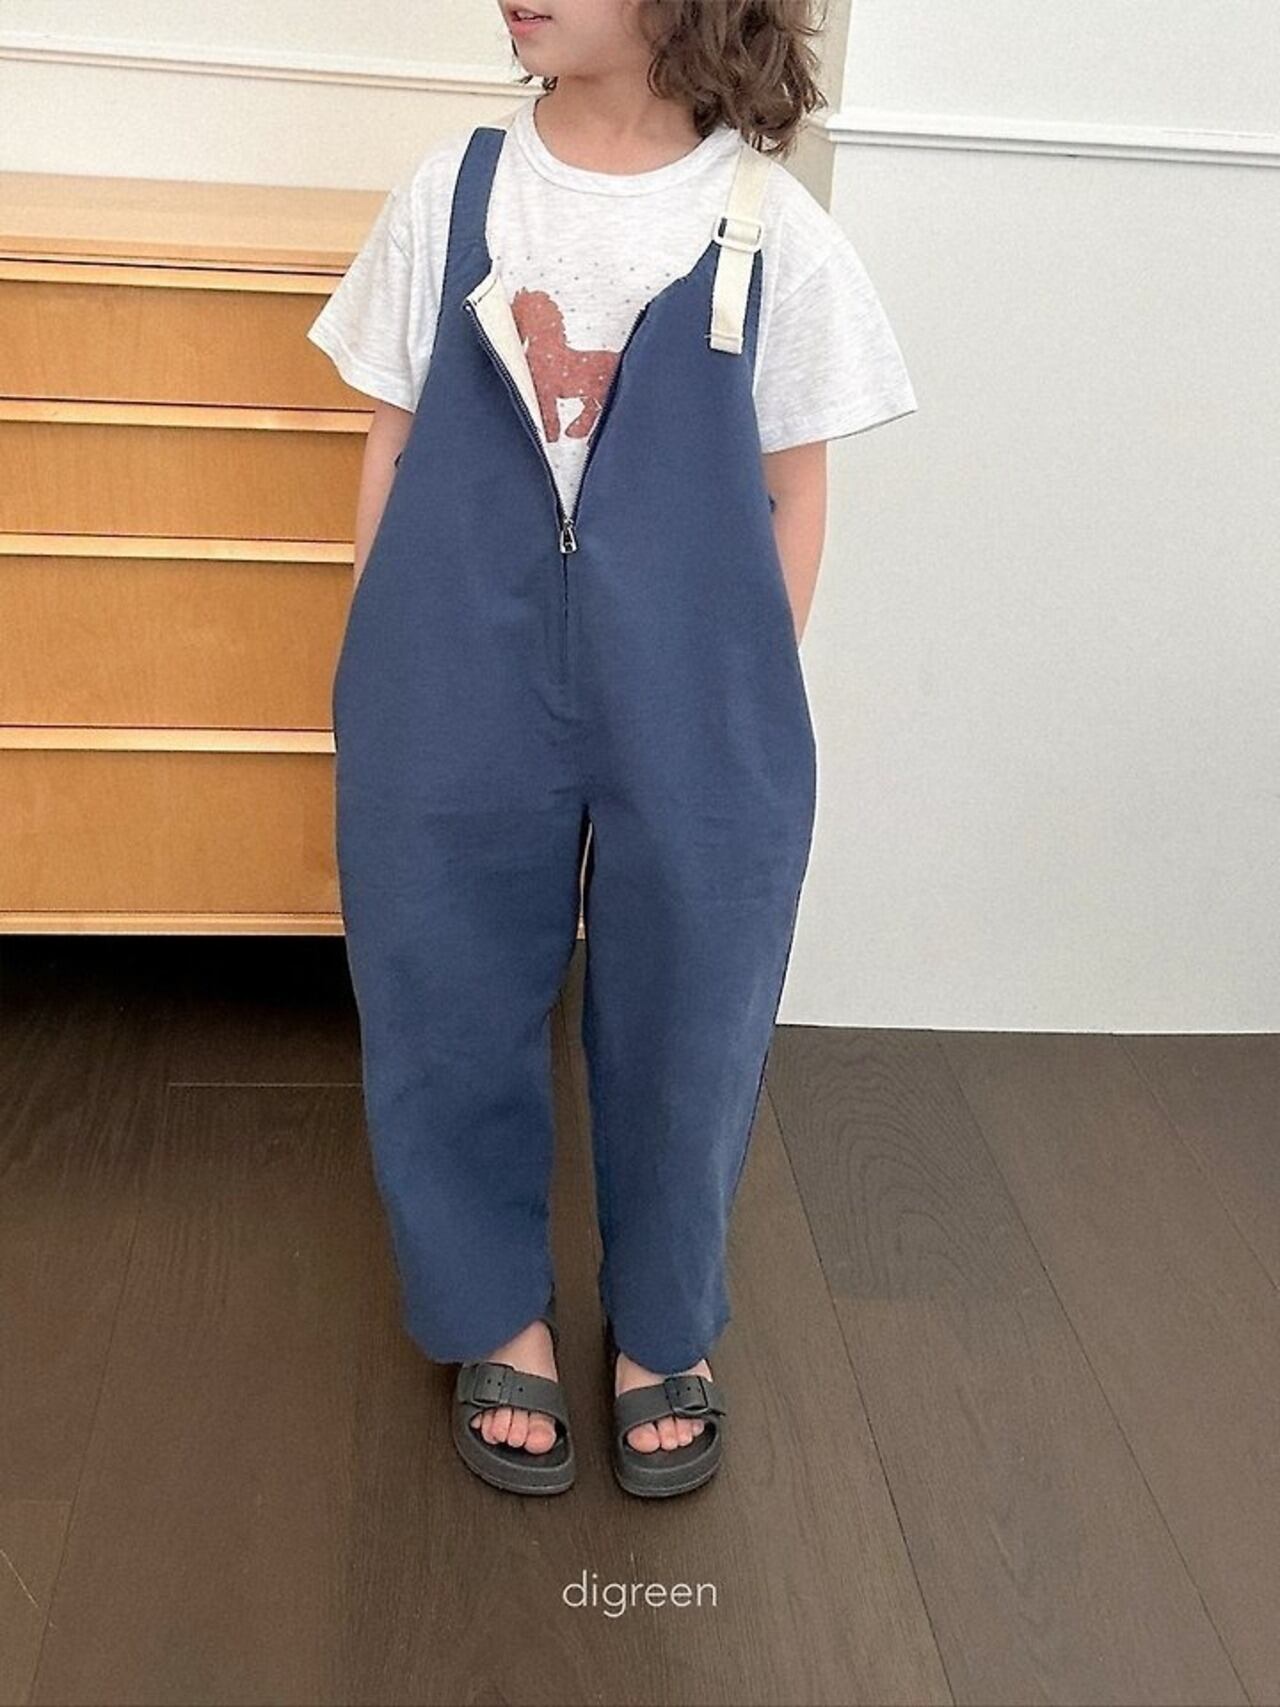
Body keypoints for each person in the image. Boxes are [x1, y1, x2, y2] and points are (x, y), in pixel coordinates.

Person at [307, 0, 917, 1499]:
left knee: (692, 1002)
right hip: (453, 659)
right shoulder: (454, 193)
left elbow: (792, 486)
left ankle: (662, 1322)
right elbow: (392, 435)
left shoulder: (768, 228)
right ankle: (488, 1307)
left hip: (694, 684)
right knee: (442, 983)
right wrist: (384, 650)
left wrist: (743, 680)